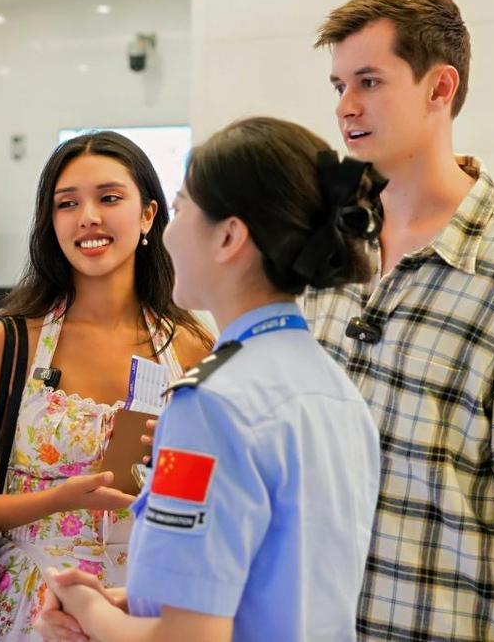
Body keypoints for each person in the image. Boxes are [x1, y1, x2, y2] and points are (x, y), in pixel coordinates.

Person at [301, 0, 494, 641]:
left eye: (369, 82)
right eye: (339, 85)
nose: (346, 106)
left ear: (440, 87)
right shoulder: (328, 244)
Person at [35, 117, 383, 642]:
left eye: (180, 209)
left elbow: (188, 637)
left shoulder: (211, 404)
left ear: (228, 236)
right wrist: (128, 602)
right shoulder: (335, 390)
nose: (168, 233)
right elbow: (273, 586)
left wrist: (84, 606)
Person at [0, 131, 213, 640]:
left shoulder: (190, 346)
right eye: (67, 203)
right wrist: (58, 499)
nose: (88, 218)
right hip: (31, 611)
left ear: (148, 215)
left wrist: (171, 468)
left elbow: (212, 498)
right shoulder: (15, 340)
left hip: (142, 609)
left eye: (109, 198)